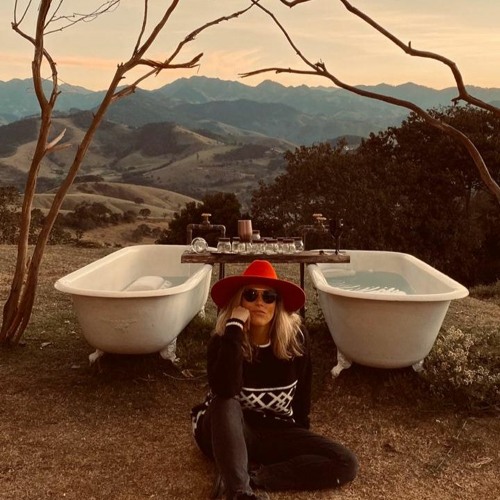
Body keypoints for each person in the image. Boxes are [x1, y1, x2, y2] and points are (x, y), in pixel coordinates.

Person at [191, 260, 358, 500]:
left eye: (269, 297)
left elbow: (302, 396)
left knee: (346, 462)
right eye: (251, 295)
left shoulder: (296, 340)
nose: (260, 302)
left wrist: (299, 440)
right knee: (226, 403)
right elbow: (225, 389)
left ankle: (253, 476)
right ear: (239, 301)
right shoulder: (224, 340)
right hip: (224, 430)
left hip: (274, 430)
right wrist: (235, 328)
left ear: (277, 304)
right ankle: (239, 493)